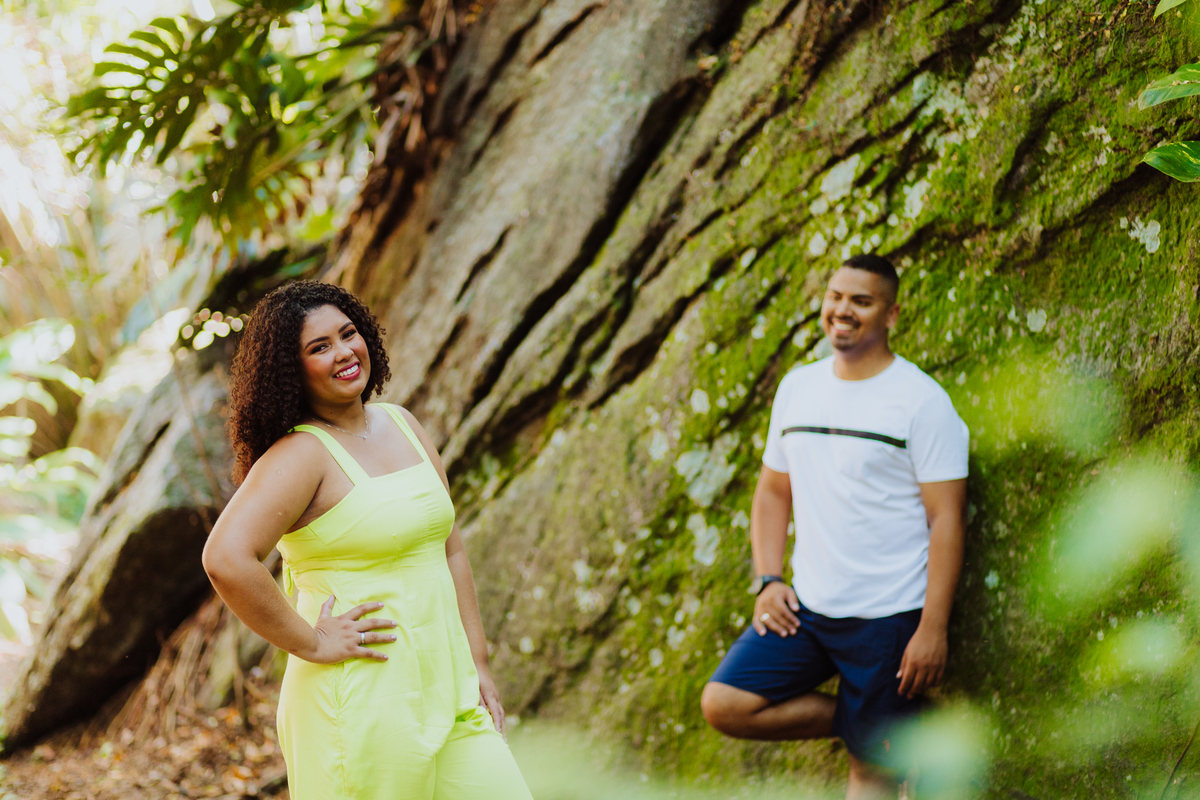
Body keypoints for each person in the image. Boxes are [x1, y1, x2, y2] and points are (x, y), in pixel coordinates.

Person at [202, 281, 532, 800]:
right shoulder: (300, 456)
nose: (344, 353)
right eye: (319, 347)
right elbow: (225, 559)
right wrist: (311, 641)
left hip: (452, 694)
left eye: (348, 334)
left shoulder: (403, 423)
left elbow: (451, 547)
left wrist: (479, 664)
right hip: (361, 705)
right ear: (292, 371)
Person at [700, 255, 969, 799]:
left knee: (868, 774)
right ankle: (885, 726)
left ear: (891, 314)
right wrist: (768, 579)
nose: (843, 310)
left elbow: (947, 521)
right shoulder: (798, 389)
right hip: (810, 609)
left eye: (861, 301)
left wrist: (932, 629)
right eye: (836, 297)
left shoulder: (922, 402)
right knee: (724, 703)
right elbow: (774, 492)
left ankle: (883, 734)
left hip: (889, 621)